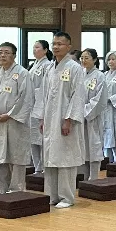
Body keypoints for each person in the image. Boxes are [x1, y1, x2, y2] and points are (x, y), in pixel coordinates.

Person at [41, 32, 86, 209]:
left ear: (68, 46)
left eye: (60, 44)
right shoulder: (50, 68)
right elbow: (44, 96)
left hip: (65, 120)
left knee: (65, 158)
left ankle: (67, 197)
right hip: (50, 120)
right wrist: (42, 118)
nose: (56, 47)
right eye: (54, 44)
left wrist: (69, 120)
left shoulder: (74, 68)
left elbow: (78, 97)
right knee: (51, 158)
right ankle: (52, 195)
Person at [0, 41, 33, 194]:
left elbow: (26, 98)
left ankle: (16, 188)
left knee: (16, 156)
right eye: (0, 52)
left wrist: (10, 114)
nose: (2, 55)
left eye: (6, 52)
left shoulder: (22, 73)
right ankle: (2, 186)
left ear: (14, 56)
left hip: (14, 122)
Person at [79, 48, 108, 183]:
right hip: (79, 117)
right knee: (83, 146)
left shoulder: (100, 76)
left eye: (87, 58)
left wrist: (85, 111)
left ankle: (94, 176)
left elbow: (99, 100)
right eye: (82, 58)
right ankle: (83, 176)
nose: (83, 61)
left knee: (94, 145)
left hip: (93, 117)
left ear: (95, 60)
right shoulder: (80, 74)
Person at [26, 39, 54, 174]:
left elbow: (45, 87)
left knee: (41, 138)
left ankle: (44, 166)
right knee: (32, 137)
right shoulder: (33, 66)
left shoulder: (48, 65)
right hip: (30, 105)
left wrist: (34, 93)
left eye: (37, 47)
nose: (34, 49)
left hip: (40, 104)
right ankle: (37, 166)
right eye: (33, 47)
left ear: (45, 50)